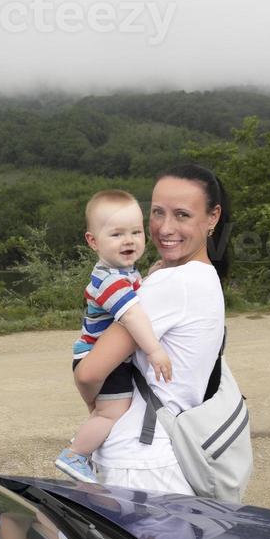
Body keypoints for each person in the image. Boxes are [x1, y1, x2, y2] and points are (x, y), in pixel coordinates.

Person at [72, 164, 231, 495]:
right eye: (158, 213)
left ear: (213, 217)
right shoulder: (205, 276)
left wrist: (94, 406)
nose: (165, 228)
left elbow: (89, 373)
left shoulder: (174, 283)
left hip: (139, 459)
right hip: (161, 454)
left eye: (182, 215)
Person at [54, 190, 174, 484]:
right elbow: (132, 316)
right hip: (98, 358)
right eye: (117, 234)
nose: (129, 240)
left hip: (102, 357)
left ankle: (88, 439)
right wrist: (156, 351)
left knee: (106, 412)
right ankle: (76, 453)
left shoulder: (123, 273)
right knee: (111, 413)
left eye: (135, 231)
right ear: (93, 241)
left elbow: (135, 293)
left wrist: (149, 275)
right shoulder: (108, 281)